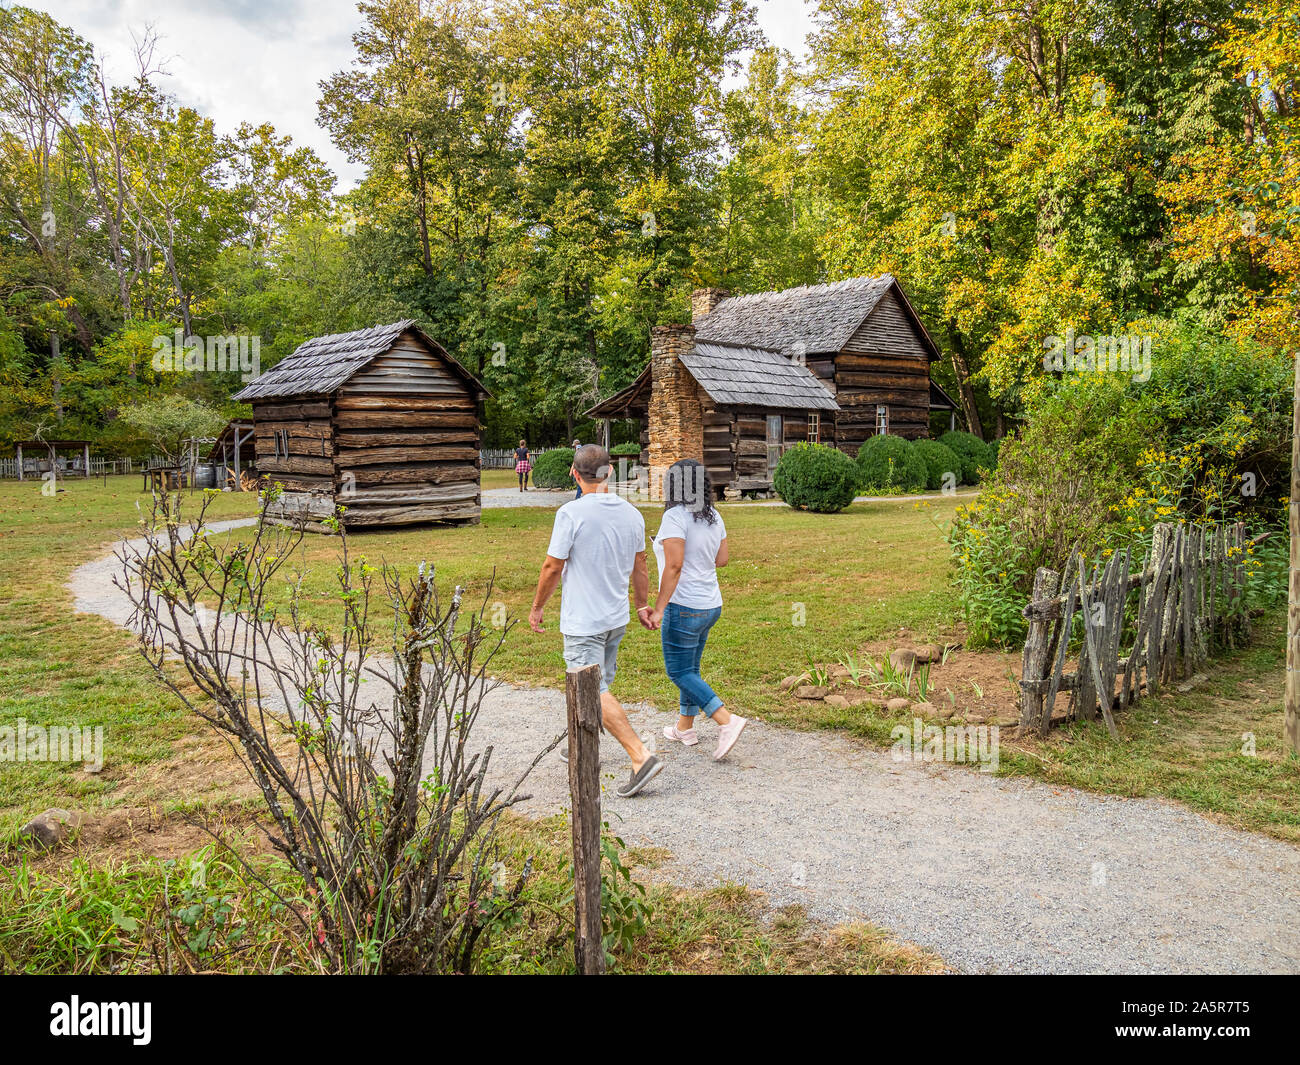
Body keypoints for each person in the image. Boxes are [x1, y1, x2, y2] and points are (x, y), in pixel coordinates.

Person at [530, 443, 664, 797]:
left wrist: (537, 606)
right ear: (609, 473)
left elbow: (552, 566)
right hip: (615, 617)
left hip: (584, 620)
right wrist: (641, 605)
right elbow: (640, 566)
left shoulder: (571, 514)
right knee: (594, 684)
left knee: (592, 688)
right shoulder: (632, 514)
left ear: (574, 474)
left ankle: (640, 755)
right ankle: (580, 745)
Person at [647, 458, 746, 760]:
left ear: (674, 485)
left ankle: (726, 721)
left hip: (684, 606)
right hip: (710, 604)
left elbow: (674, 565)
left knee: (678, 671)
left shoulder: (675, 517)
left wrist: (660, 607)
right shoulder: (714, 515)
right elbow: (722, 559)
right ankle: (684, 727)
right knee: (690, 669)